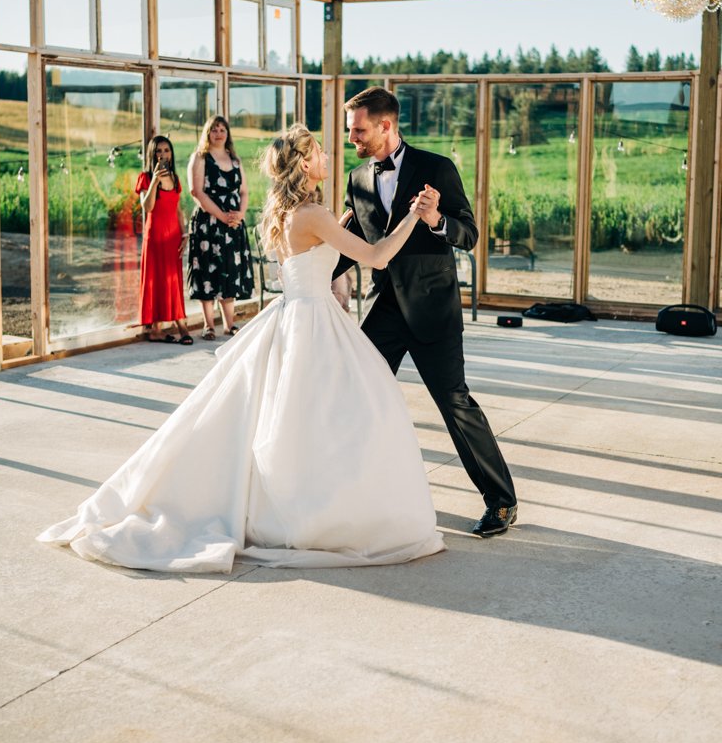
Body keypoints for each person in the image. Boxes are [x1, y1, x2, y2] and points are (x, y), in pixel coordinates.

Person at [37, 125, 445, 573]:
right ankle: (320, 513)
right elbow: (379, 256)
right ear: (305, 164)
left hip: (292, 314)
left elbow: (315, 249)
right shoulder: (313, 215)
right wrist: (415, 214)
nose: (328, 156)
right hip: (314, 322)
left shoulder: (290, 212)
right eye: (320, 152)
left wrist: (344, 220)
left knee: (300, 419)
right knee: (338, 417)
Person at [332, 87, 518, 537]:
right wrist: (311, 274)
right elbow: (349, 247)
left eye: (358, 130)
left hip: (434, 309)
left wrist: (436, 221)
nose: (351, 138)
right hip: (384, 311)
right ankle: (351, 493)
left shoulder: (436, 168)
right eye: (349, 130)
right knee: (357, 398)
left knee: (455, 403)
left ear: (385, 126)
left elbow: (469, 234)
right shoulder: (357, 180)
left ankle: (501, 501)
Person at [187, 115, 254, 340]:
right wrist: (222, 216)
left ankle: (229, 324)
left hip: (232, 224)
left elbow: (244, 191)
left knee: (229, 271)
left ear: (227, 133)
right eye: (214, 129)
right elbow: (196, 192)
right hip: (209, 223)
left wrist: (240, 214)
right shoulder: (200, 157)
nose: (218, 133)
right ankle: (208, 325)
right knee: (207, 271)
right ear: (208, 132)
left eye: (222, 129)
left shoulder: (235, 159)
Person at [136, 136, 193, 345]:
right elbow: (148, 206)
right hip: (155, 237)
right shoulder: (145, 177)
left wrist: (185, 233)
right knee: (155, 279)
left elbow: (178, 210)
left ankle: (176, 323)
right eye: (158, 151)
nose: (163, 154)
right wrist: (154, 181)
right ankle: (160, 328)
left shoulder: (176, 179)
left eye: (166, 150)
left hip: (173, 237)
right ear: (153, 154)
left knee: (173, 280)